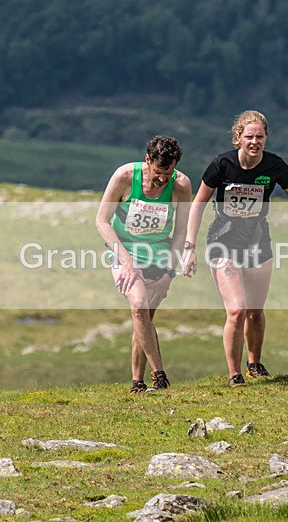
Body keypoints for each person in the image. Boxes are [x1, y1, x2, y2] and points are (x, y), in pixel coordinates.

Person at [183, 110, 288, 388]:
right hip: (223, 241)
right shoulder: (222, 164)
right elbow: (198, 204)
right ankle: (234, 374)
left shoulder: (275, 165)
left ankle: (254, 364)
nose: (255, 142)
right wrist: (189, 246)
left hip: (258, 241)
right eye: (249, 137)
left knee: (255, 310)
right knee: (237, 310)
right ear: (238, 137)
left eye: (260, 137)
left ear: (266, 138)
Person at [95, 135, 192, 393]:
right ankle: (160, 375)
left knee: (144, 318)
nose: (162, 180)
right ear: (147, 160)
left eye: (168, 173)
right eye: (158, 173)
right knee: (138, 305)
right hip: (124, 252)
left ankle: (137, 381)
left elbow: (181, 232)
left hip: (159, 255)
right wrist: (127, 263)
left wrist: (168, 274)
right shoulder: (125, 177)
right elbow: (102, 221)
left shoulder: (181, 185)